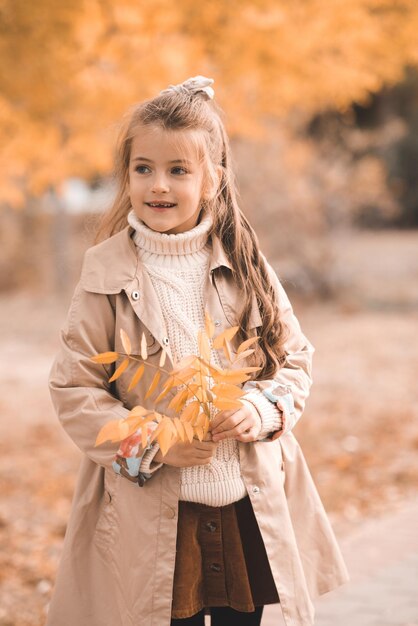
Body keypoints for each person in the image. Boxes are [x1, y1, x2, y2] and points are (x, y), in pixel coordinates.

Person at [47, 76, 349, 626]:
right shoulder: (104, 273)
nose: (158, 185)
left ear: (212, 180)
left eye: (178, 170)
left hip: (245, 506)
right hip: (157, 515)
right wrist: (154, 442)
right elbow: (75, 388)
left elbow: (295, 357)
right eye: (144, 168)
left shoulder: (245, 264)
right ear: (127, 174)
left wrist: (260, 410)